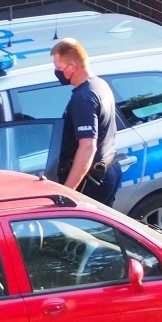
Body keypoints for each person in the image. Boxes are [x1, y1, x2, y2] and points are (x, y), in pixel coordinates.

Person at [51, 38, 120, 205]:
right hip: (108, 169)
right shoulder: (100, 84)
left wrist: (66, 192)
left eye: (59, 68)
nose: (56, 72)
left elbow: (88, 146)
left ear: (72, 66)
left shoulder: (82, 99)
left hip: (90, 180)